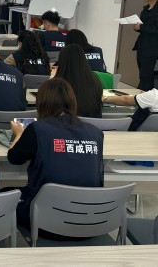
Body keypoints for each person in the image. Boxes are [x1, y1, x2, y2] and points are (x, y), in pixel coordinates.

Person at [8, 78, 103, 234]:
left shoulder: (38, 129)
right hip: (90, 221)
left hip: (46, 223)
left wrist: (18, 134)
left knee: (5, 194)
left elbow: (14, 158)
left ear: (42, 102)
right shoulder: (95, 133)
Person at [54, 45, 103, 118]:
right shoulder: (95, 82)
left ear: (62, 62)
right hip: (92, 124)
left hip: (65, 124)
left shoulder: (56, 86)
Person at [133, 0, 158, 91]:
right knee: (144, 73)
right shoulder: (145, 9)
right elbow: (143, 27)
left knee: (145, 75)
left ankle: (140, 97)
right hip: (142, 45)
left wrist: (141, 27)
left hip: (153, 46)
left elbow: (155, 29)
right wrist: (137, 28)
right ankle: (150, 95)